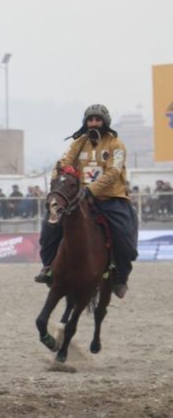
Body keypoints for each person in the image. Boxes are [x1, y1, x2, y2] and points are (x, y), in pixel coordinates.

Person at [35, 104, 138, 299]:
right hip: (79, 200)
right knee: (51, 222)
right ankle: (48, 266)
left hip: (110, 200)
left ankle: (121, 277)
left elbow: (114, 173)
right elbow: (62, 165)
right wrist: (61, 186)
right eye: (90, 120)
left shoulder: (116, 145)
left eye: (97, 120)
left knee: (124, 239)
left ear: (105, 122)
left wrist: (90, 190)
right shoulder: (78, 143)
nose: (93, 123)